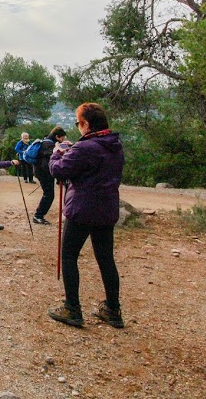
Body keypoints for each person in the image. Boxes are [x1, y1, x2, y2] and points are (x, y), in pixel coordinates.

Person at [48, 103, 125, 329]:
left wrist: (56, 155)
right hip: (107, 208)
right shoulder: (114, 145)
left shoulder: (86, 148)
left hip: (82, 209)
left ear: (87, 124)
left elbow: (59, 170)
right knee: (105, 258)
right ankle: (113, 310)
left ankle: (72, 308)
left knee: (69, 255)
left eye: (78, 123)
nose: (77, 127)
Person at [32, 127, 69, 225]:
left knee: (48, 194)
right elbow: (47, 162)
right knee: (49, 195)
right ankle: (38, 216)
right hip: (44, 173)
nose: (63, 140)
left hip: (41, 172)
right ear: (57, 136)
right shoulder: (49, 145)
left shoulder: (46, 142)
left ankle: (39, 215)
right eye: (62, 138)